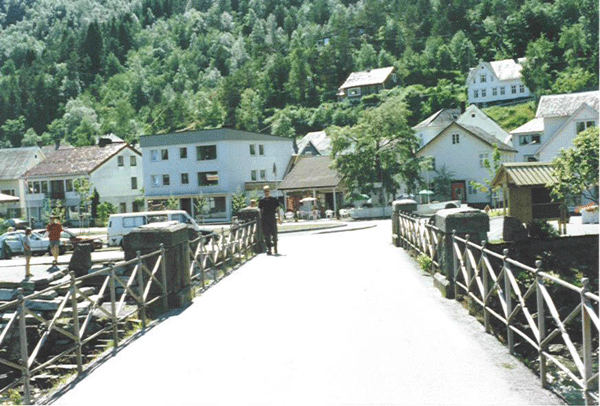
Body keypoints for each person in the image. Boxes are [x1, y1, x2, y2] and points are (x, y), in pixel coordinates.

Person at [258, 185, 281, 255]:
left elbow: (277, 209)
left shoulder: (273, 200)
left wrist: (279, 217)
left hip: (272, 218)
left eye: (267, 191)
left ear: (269, 191)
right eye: (265, 191)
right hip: (265, 219)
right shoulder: (261, 200)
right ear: (264, 192)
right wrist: (260, 219)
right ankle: (269, 249)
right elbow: (260, 211)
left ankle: (275, 247)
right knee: (267, 235)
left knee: (274, 233)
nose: (266, 192)